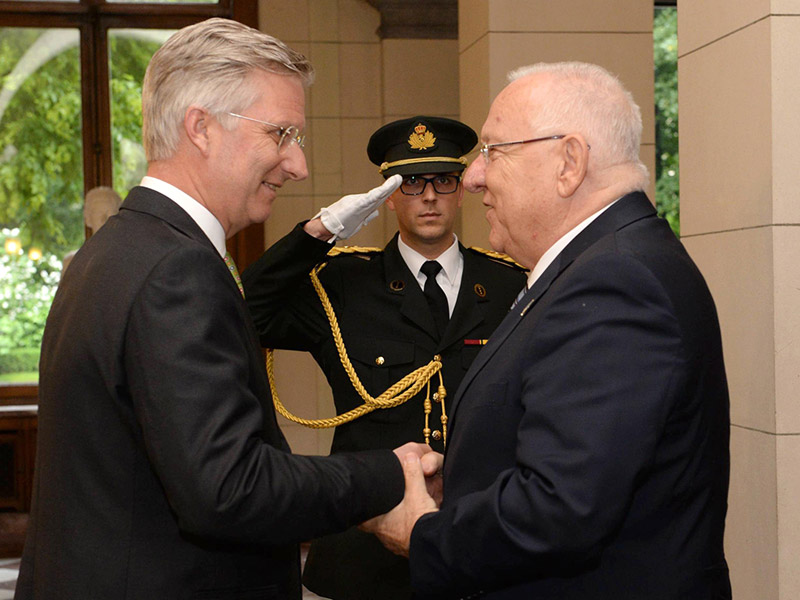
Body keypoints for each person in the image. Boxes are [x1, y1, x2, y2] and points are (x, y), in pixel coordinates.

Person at [15, 18, 438, 600]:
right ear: (201, 127)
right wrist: (390, 474)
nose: (299, 166)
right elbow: (228, 488)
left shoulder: (112, 252)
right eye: (281, 134)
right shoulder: (177, 270)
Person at [363, 62, 732, 599]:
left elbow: (561, 508)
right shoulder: (599, 263)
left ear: (569, 162)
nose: (473, 176)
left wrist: (424, 533)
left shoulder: (615, 280)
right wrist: (464, 479)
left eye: (494, 151)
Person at [242, 116, 527, 599]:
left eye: (443, 180)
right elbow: (241, 311)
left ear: (462, 191)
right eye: (412, 183)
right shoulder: (344, 283)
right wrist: (318, 233)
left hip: (479, 540)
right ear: (389, 195)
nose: (430, 196)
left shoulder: (508, 284)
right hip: (365, 550)